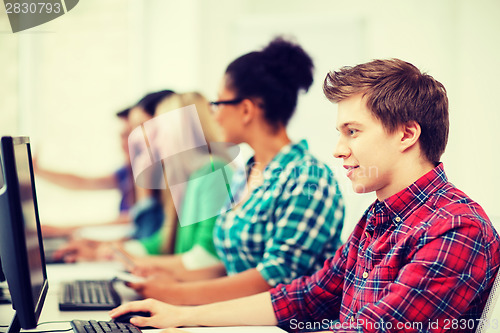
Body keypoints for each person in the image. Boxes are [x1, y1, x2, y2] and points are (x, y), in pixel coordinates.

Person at [109, 58, 500, 333]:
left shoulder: (454, 228)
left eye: (352, 131)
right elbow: (308, 295)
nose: (338, 149)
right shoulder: (379, 217)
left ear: (406, 134)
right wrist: (181, 315)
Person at [123, 37, 345, 305]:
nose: (213, 114)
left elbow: (274, 278)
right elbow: (228, 266)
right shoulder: (246, 172)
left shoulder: (307, 177)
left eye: (218, 103)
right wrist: (167, 276)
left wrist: (177, 294)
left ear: (246, 109)